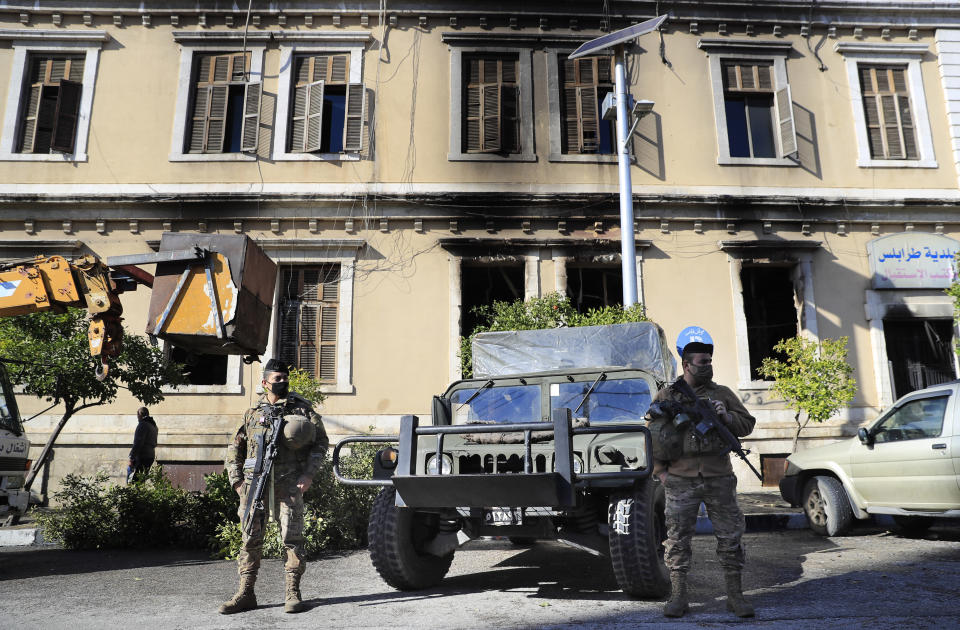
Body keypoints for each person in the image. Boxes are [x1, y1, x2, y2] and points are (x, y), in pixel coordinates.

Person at [648, 327, 756, 618]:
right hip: (680, 480)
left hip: (719, 478)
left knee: (730, 538)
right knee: (677, 540)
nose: (708, 366)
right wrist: (661, 473)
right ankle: (679, 597)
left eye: (710, 361)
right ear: (686, 364)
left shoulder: (722, 394)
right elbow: (653, 435)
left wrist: (726, 415)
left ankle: (735, 597)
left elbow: (747, 424)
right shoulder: (667, 395)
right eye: (702, 362)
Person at [219, 359, 329, 615]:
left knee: (292, 537)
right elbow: (236, 446)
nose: (282, 382)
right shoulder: (253, 413)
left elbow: (321, 443)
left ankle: (293, 593)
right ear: (265, 382)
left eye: (284, 377)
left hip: (289, 483)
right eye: (276, 378)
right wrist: (236, 480)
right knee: (250, 539)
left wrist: (308, 475)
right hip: (254, 484)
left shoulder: (302, 410)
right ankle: (246, 594)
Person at [127, 407, 158, 483]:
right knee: (141, 480)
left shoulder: (142, 425)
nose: (137, 417)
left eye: (137, 415)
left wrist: (131, 458)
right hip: (150, 455)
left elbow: (138, 443)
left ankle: (132, 494)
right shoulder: (154, 426)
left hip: (142, 456)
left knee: (134, 481)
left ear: (140, 415)